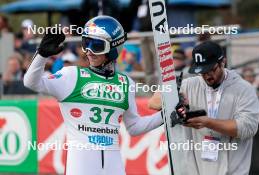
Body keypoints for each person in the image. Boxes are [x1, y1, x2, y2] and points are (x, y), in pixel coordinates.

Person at [24, 16, 164, 175]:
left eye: (96, 45)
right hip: (81, 164)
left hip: (114, 164)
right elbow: (31, 82)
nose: (89, 51)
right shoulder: (71, 76)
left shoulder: (126, 83)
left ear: (113, 48)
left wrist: (166, 115)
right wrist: (41, 55)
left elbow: (134, 127)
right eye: (86, 43)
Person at [148, 41, 259, 175]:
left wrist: (208, 122)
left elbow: (248, 128)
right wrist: (176, 101)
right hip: (197, 170)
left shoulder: (243, 89)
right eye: (202, 71)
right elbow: (153, 102)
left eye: (211, 69)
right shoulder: (191, 84)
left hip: (233, 170)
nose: (207, 75)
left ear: (223, 62)